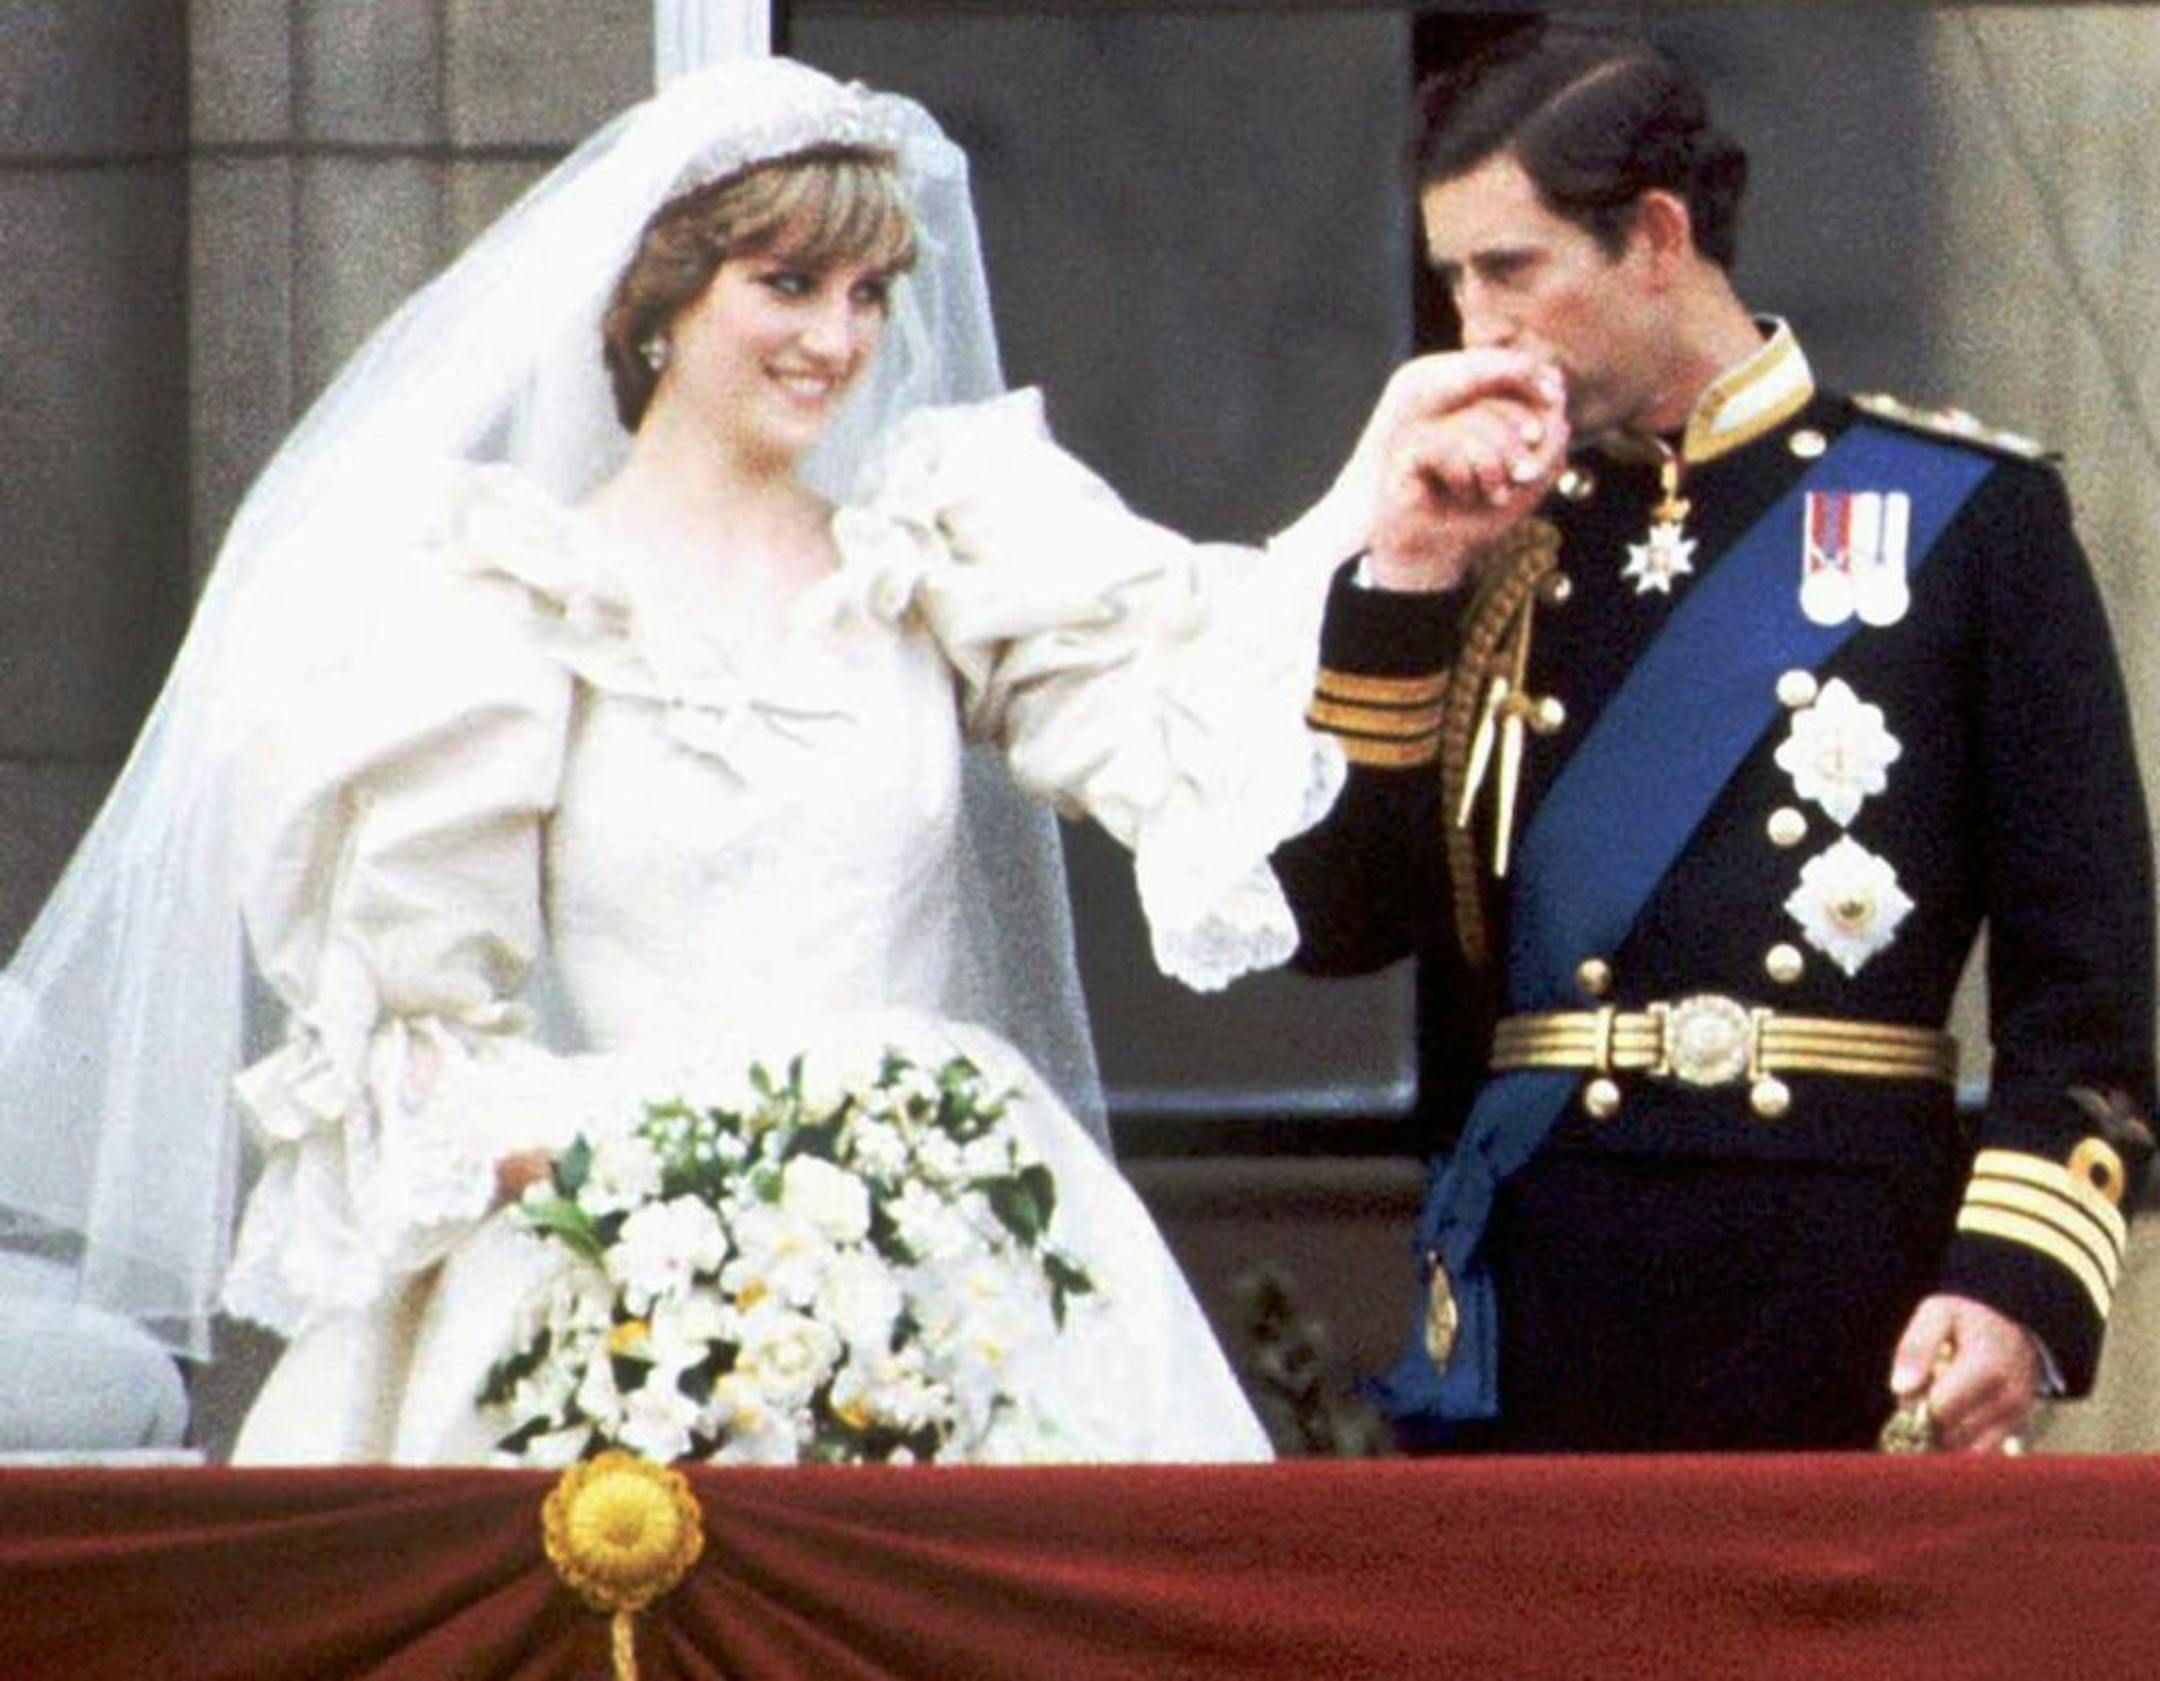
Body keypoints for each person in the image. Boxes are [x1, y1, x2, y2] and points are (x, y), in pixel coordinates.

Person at [0, 59, 1365, 1465]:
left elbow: (1199, 682)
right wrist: (673, 1211)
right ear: (659, 304)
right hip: (615, 1273)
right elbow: (419, 1038)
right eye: (786, 283)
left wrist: (1384, 508)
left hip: (950, 1252)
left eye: (867, 294)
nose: (835, 341)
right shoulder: (507, 605)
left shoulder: (932, 556)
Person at [1276, 25, 2154, 1453]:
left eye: (1511, 271)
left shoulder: (1970, 518)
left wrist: (2014, 1280)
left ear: (1658, 237)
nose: (1471, 328)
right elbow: (1333, 919)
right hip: (1543, 1282)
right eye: (1451, 281)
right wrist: (1407, 581)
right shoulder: (1481, 537)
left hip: (1843, 1283)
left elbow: (2088, 977)